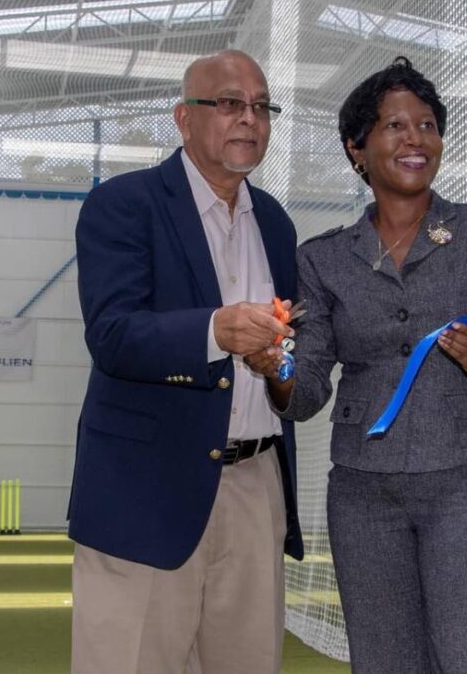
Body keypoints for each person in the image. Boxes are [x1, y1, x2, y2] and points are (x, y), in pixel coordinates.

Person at [247, 57, 467, 673]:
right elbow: (305, 393)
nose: (416, 138)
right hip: (363, 492)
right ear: (356, 149)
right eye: (395, 126)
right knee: (384, 662)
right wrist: (273, 365)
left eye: (427, 125)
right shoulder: (324, 258)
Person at [68, 49, 303, 674]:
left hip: (257, 486)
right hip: (146, 489)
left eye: (260, 106)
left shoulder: (276, 223)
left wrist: (277, 369)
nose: (248, 118)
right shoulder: (124, 204)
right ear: (183, 117)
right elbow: (113, 335)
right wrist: (214, 330)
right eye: (228, 103)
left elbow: (288, 353)